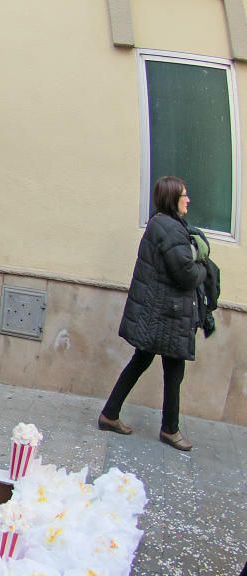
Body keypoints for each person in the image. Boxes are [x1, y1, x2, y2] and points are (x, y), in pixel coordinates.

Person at [99, 176, 208, 451]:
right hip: (167, 315)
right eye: (184, 195)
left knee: (141, 362)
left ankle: (110, 414)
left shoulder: (162, 224)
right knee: (173, 370)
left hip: (160, 312)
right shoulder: (170, 229)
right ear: (173, 199)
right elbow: (185, 274)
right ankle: (169, 430)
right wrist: (204, 266)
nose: (188, 200)